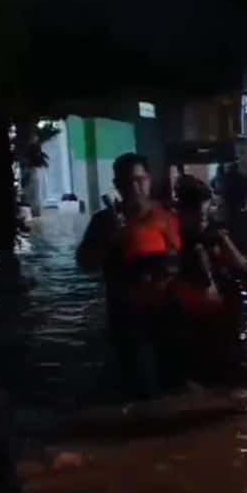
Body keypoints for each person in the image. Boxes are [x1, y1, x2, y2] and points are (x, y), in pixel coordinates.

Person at [76, 152, 181, 397]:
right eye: (128, 182)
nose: (135, 187)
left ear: (149, 179)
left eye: (140, 179)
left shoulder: (166, 217)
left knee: (171, 384)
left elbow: (181, 260)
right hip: (126, 316)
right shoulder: (104, 221)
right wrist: (110, 239)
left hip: (166, 313)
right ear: (117, 186)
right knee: (136, 383)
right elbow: (85, 263)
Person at [172, 176, 247, 383]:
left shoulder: (212, 237)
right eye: (197, 216)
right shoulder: (174, 243)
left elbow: (242, 268)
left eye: (205, 217)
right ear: (180, 213)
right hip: (194, 326)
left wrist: (223, 240)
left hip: (220, 322)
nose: (201, 222)